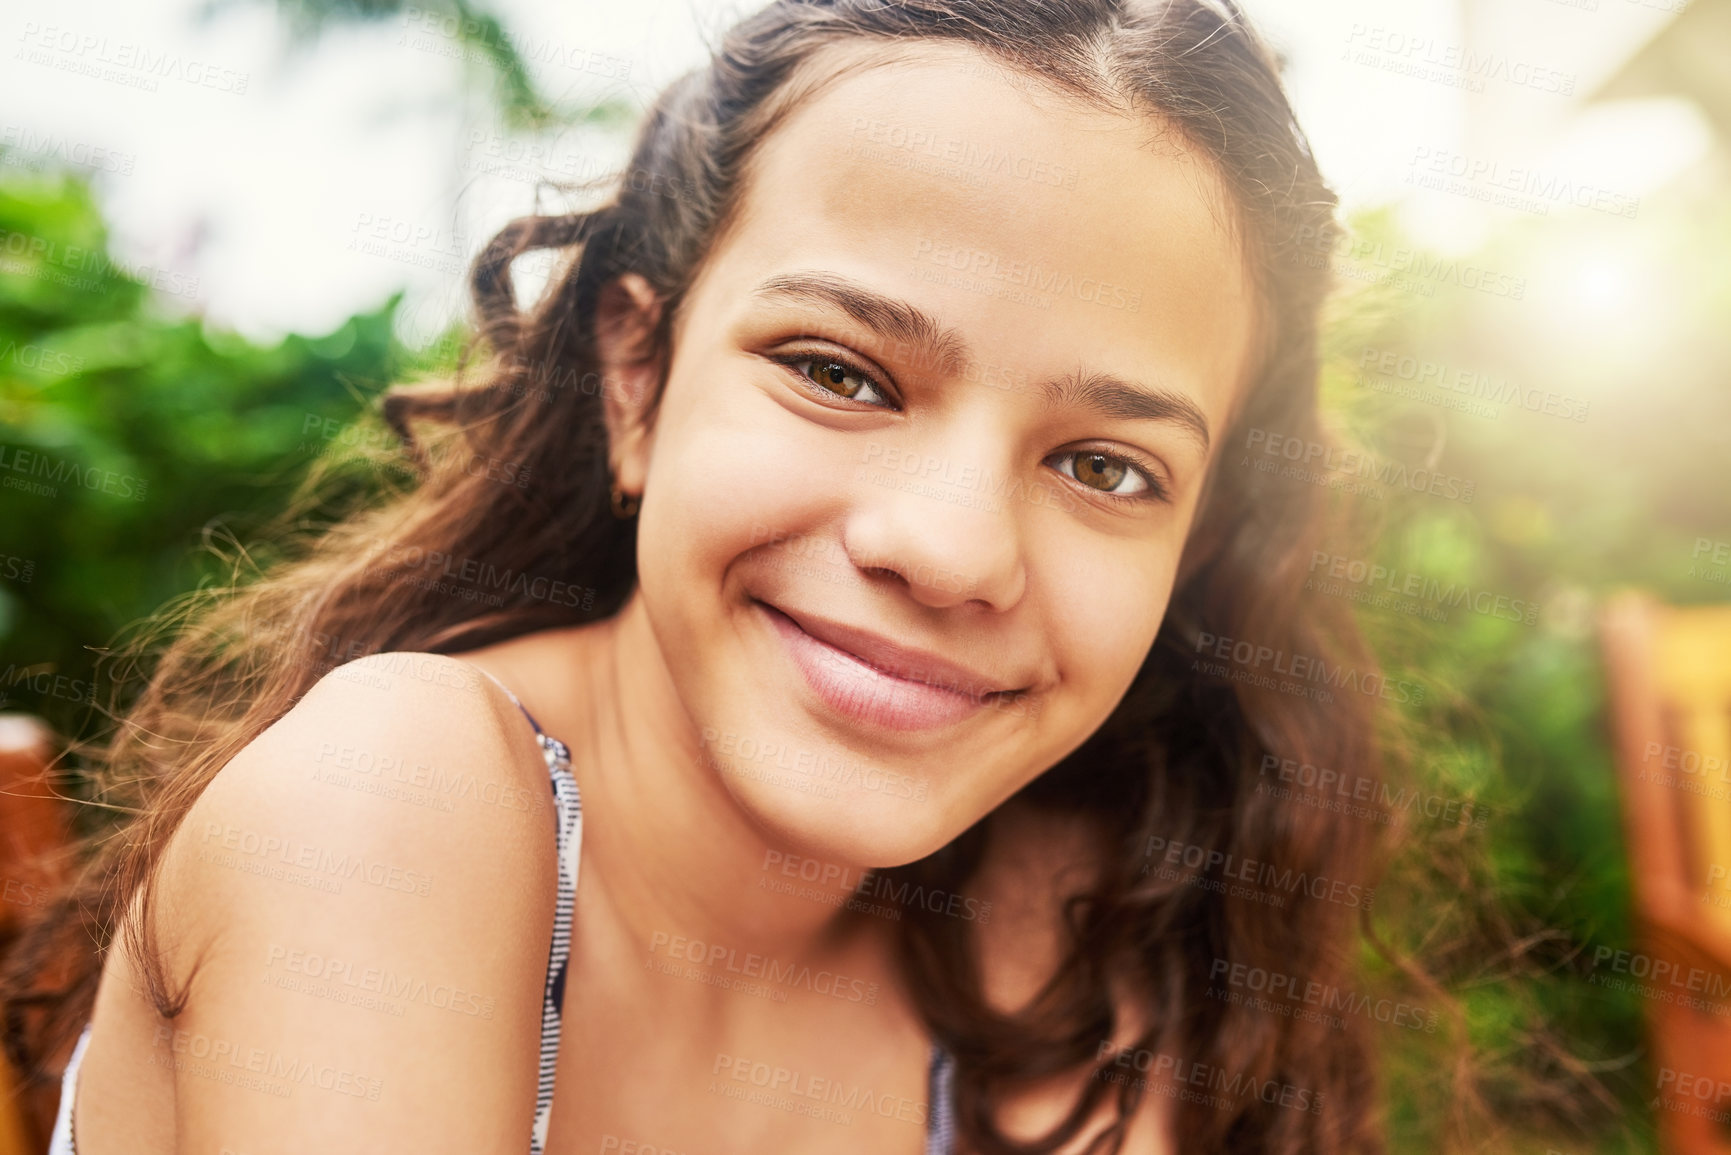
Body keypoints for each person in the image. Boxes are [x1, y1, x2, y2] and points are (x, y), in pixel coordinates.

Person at [4, 1, 1391, 1151]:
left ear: (1192, 542)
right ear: (637, 381)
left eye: (1104, 468)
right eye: (839, 373)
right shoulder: (387, 802)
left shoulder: (1065, 937)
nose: (955, 549)